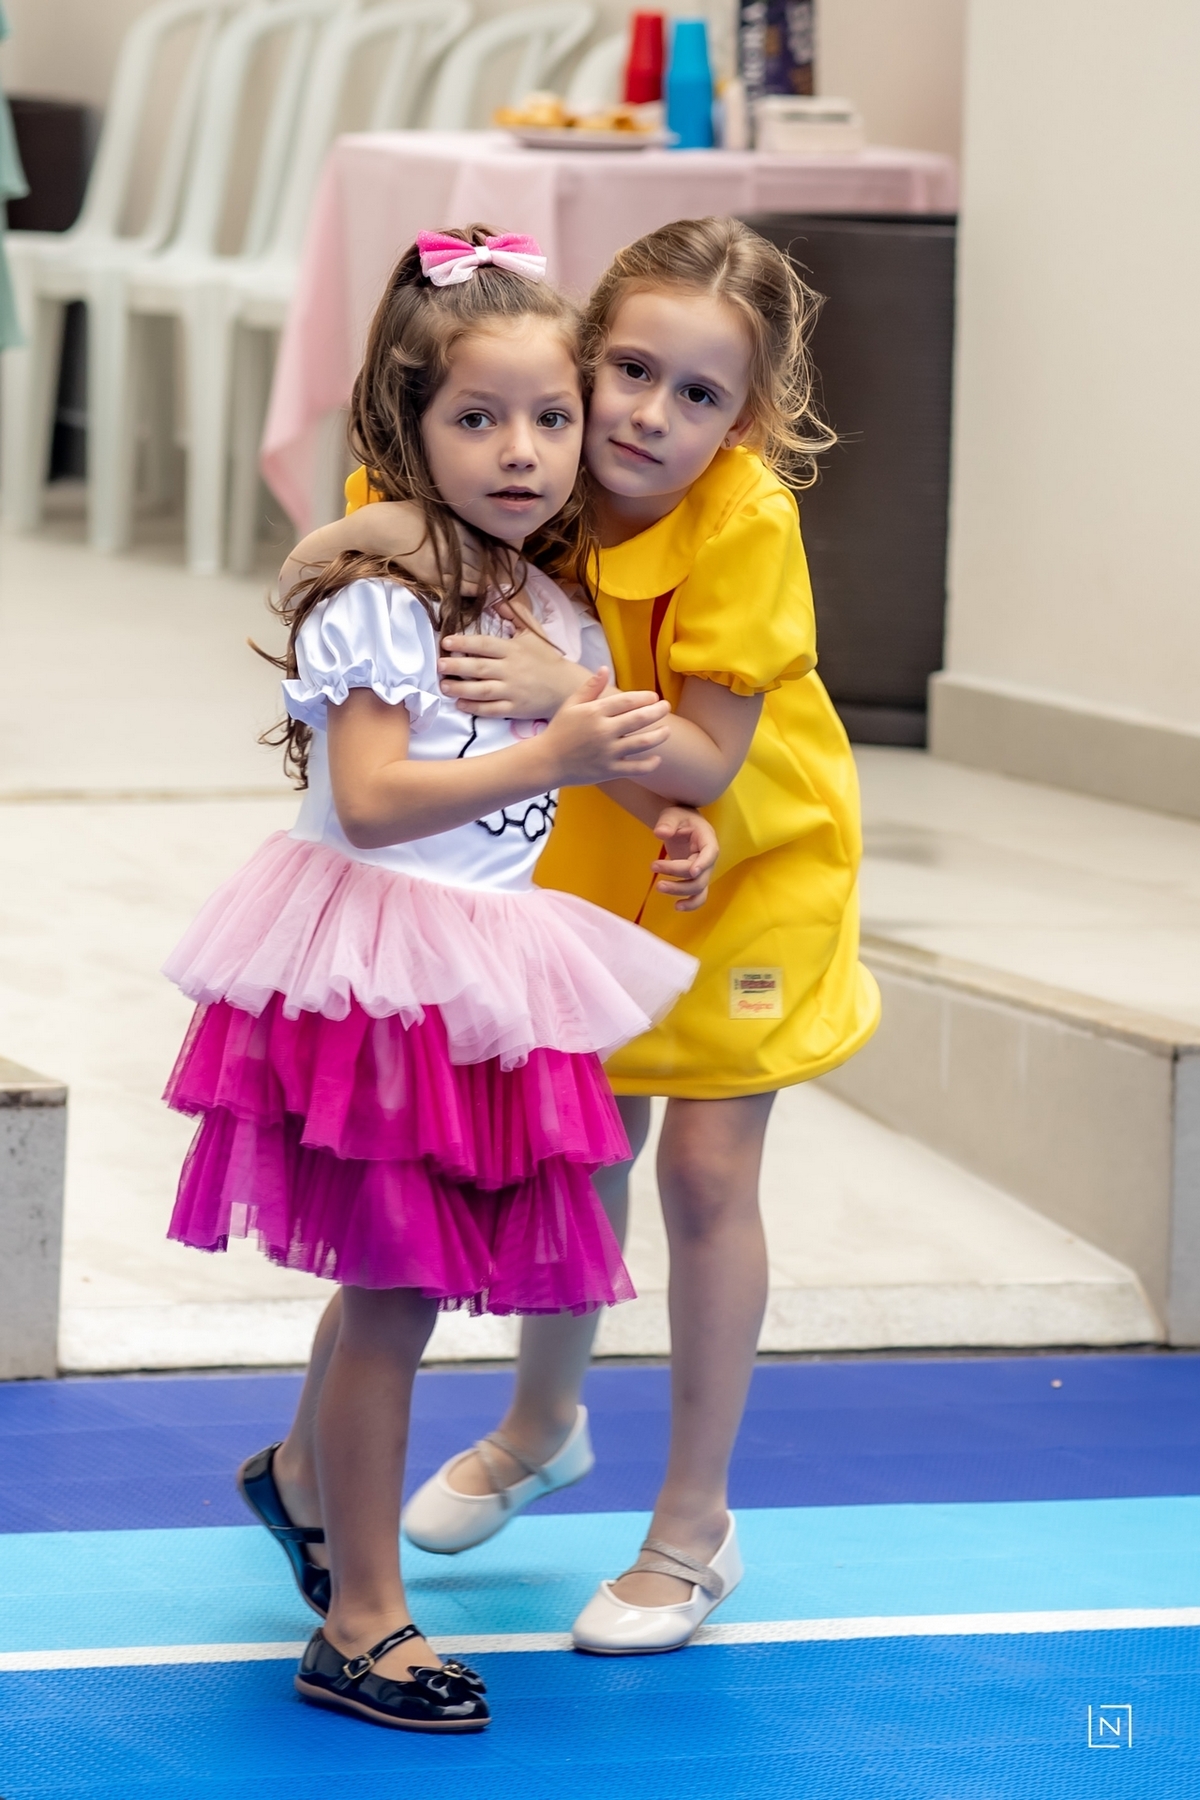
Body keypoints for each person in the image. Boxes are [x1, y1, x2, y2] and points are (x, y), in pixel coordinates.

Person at [271, 216, 881, 1657]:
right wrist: (352, 544)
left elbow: (708, 764)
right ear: (585, 352)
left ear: (747, 418)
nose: (650, 417)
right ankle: (544, 1424)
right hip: (576, 852)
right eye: (632, 372)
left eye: (701, 394)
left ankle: (692, 1527)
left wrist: (557, 689)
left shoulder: (740, 520)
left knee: (707, 1171)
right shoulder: (523, 442)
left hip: (743, 861)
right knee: (576, 1143)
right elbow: (346, 546)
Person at [162, 226, 717, 1731]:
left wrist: (665, 823)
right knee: (397, 1292)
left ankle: (303, 1486)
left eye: (549, 417)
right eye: (477, 418)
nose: (521, 451)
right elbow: (370, 800)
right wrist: (557, 753)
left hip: (483, 972)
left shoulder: (550, 611)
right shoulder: (380, 599)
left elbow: (584, 762)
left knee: (390, 1276)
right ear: (407, 431)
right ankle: (360, 1621)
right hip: (379, 977)